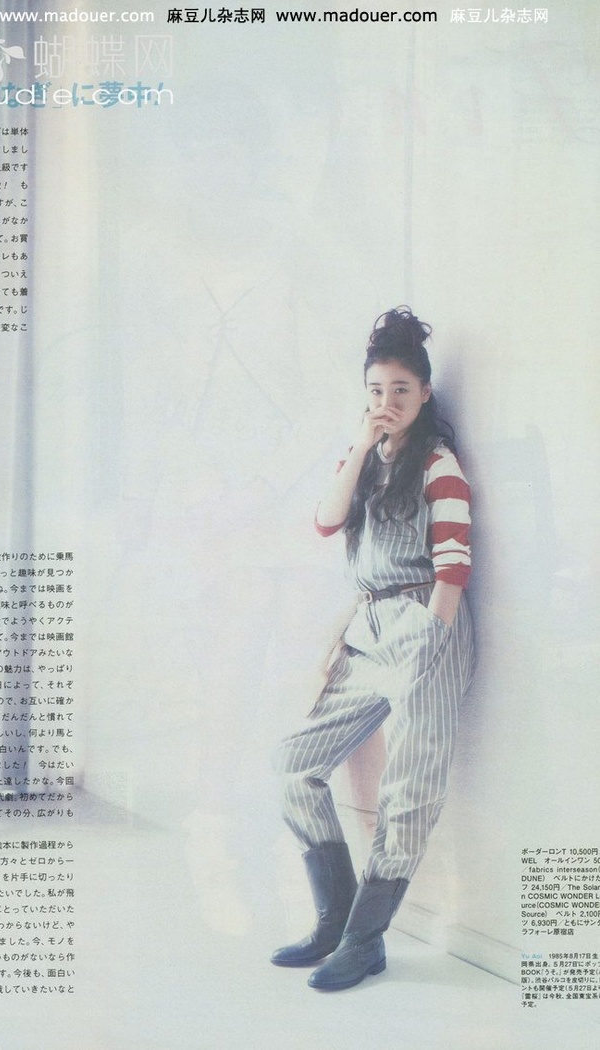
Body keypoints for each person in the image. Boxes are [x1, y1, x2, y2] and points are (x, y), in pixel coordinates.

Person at [271, 306, 475, 991]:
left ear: (424, 393)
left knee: (407, 791)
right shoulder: (364, 458)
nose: (388, 402)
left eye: (401, 390)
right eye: (376, 390)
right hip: (368, 626)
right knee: (294, 766)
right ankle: (335, 920)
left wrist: (429, 641)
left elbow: (453, 566)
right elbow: (326, 521)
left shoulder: (439, 463)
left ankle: (365, 940)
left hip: (427, 623)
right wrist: (362, 445)